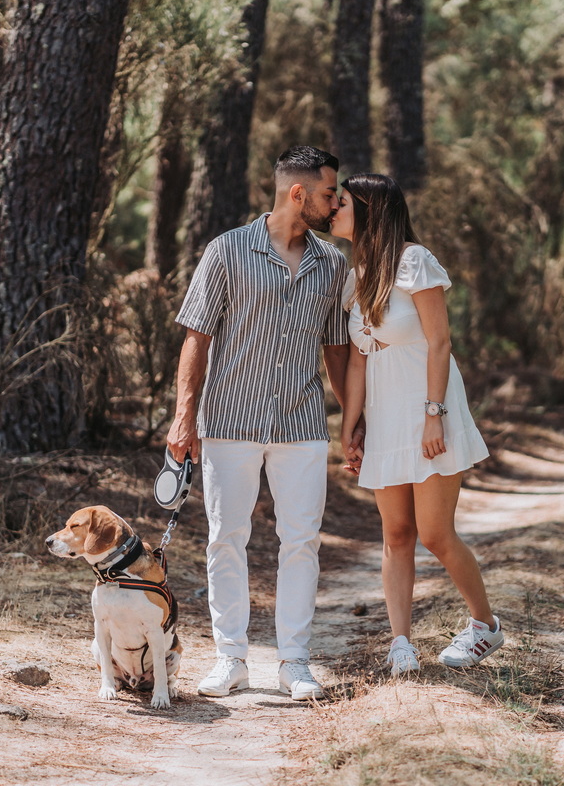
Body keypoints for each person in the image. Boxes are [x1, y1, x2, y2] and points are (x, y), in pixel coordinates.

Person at [168, 145, 353, 700]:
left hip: (302, 423)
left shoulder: (332, 263)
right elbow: (195, 337)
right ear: (297, 193)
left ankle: (294, 661)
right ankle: (231, 659)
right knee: (227, 538)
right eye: (327, 193)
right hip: (229, 419)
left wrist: (353, 421)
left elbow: (337, 351)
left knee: (302, 541)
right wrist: (184, 417)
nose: (335, 201)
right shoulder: (226, 251)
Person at [334, 173, 503, 677]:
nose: (333, 210)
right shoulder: (356, 273)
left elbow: (440, 342)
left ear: (368, 210)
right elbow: (361, 360)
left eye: (343, 202)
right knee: (397, 533)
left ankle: (485, 626)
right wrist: (353, 425)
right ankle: (401, 643)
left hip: (429, 407)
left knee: (435, 533)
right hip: (384, 415)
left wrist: (435, 415)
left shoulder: (414, 261)